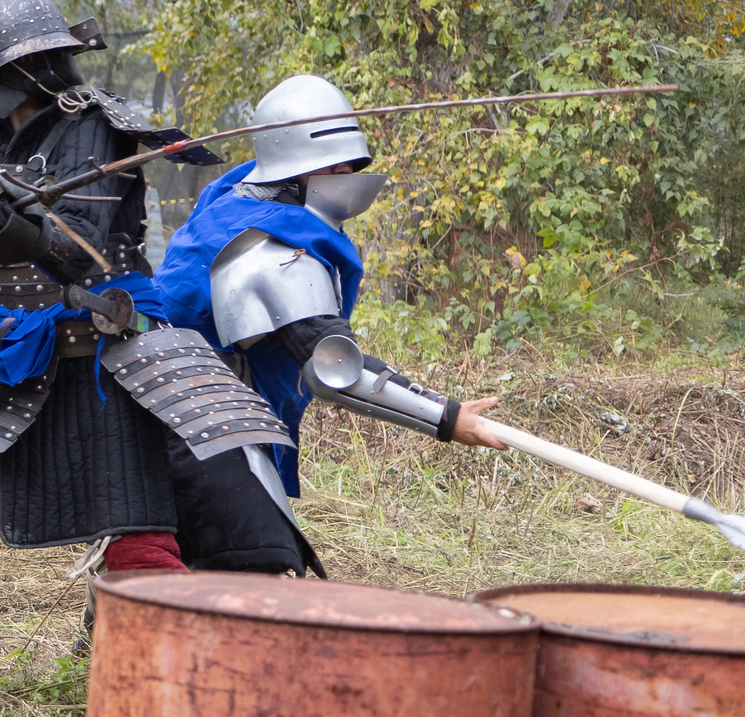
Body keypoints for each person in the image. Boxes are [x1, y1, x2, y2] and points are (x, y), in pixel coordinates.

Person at [0, 0, 291, 693]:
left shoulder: (100, 129)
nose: (45, 72)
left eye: (50, 56)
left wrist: (18, 226)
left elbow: (88, 248)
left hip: (99, 359)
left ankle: (158, 687)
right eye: (29, 61)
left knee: (140, 544)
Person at [155, 74, 505, 537]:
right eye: (331, 168)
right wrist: (448, 417)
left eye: (348, 167)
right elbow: (333, 368)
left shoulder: (232, 201)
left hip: (180, 413)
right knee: (248, 559)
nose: (345, 177)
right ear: (292, 166)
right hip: (201, 429)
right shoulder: (272, 248)